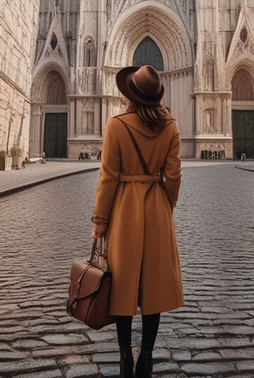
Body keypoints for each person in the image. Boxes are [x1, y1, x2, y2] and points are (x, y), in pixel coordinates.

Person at [92, 65, 184, 378]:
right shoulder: (170, 126)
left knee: (122, 286)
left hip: (124, 210)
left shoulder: (116, 125)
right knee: (154, 289)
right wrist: (165, 203)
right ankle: (146, 356)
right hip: (156, 208)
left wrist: (100, 220)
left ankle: (123, 358)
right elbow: (173, 175)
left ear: (130, 94)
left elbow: (108, 177)